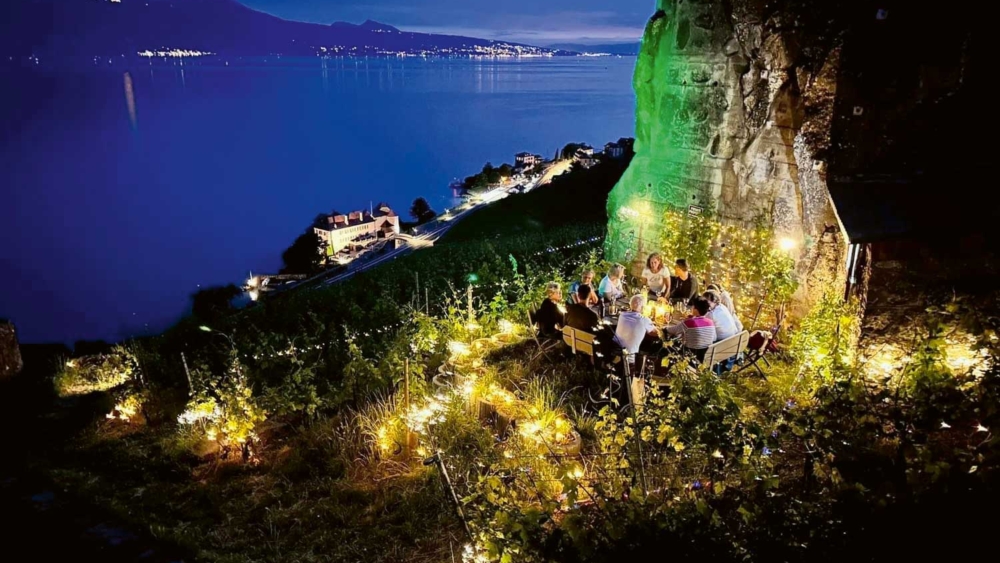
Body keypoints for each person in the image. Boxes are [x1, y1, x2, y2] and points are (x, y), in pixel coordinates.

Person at [665, 295, 716, 361]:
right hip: (704, 358)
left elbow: (671, 330)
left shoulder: (689, 323)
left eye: (693, 306)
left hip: (689, 357)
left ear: (696, 309)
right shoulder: (711, 322)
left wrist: (664, 327)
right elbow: (714, 338)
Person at [614, 294, 659, 360]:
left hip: (616, 349)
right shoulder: (644, 320)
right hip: (628, 358)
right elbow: (657, 333)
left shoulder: (622, 315)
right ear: (643, 307)